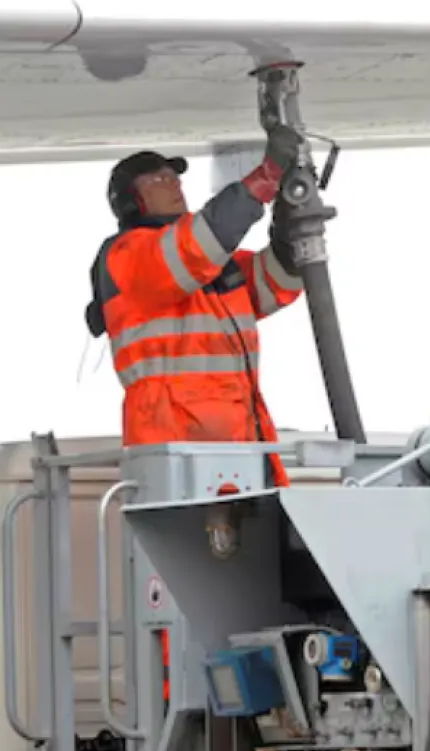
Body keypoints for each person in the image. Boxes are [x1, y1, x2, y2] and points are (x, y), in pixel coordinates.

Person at [84, 125, 308, 487]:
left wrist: (288, 223)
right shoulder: (128, 255)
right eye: (158, 179)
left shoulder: (208, 263)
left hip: (241, 451)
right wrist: (263, 180)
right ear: (131, 202)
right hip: (177, 457)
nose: (174, 185)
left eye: (175, 177)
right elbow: (197, 247)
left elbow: (277, 282)